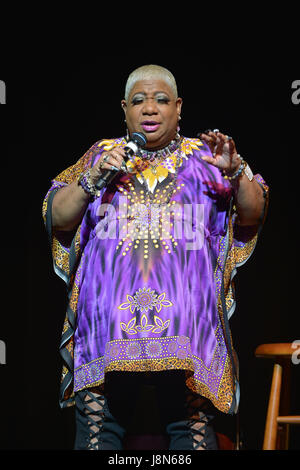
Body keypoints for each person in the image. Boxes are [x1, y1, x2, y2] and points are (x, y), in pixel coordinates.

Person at [42, 64, 269, 450]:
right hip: (108, 330)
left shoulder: (208, 156)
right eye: (139, 101)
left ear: (178, 107)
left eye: (161, 100)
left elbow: (253, 214)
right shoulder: (102, 154)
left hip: (187, 331)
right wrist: (91, 180)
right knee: (99, 437)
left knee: (192, 438)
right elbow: (57, 219)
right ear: (124, 110)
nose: (150, 108)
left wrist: (236, 174)